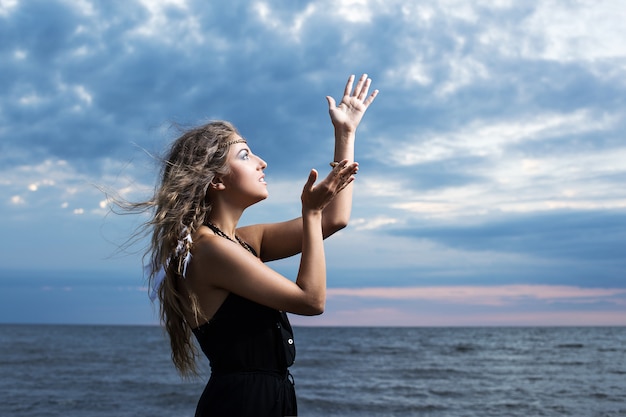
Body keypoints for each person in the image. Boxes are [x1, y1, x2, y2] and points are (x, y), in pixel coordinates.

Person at [141, 74, 377, 416]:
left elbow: (334, 219)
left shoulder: (240, 241)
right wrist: (309, 213)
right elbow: (311, 301)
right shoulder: (208, 250)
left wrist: (346, 134)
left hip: (267, 399)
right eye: (245, 155)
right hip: (242, 405)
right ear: (217, 180)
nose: (262, 162)